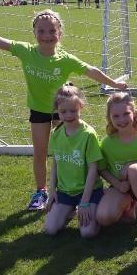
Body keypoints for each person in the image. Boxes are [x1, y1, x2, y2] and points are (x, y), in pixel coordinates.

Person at [0, 9, 127, 211]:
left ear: (59, 34)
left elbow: (91, 71)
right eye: (41, 31)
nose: (46, 36)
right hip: (38, 110)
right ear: (34, 33)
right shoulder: (26, 51)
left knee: (71, 152)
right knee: (40, 152)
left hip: (62, 112)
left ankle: (75, 189)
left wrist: (113, 83)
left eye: (51, 31)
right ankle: (41, 192)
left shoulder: (65, 59)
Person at [95, 92, 137, 246]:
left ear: (134, 113)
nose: (121, 119)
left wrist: (131, 165)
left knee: (135, 170)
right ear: (109, 117)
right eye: (116, 116)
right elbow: (102, 170)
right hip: (121, 187)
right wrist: (117, 185)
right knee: (104, 218)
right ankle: (130, 207)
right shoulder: (106, 143)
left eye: (126, 114)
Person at [44, 84, 103, 238]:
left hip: (88, 192)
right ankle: (69, 210)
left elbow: (93, 170)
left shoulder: (88, 134)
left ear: (81, 107)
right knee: (50, 229)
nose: (68, 115)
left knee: (87, 233)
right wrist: (52, 191)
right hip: (65, 192)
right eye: (63, 111)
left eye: (73, 111)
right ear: (57, 110)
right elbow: (56, 164)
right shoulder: (56, 134)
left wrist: (84, 202)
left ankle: (95, 210)